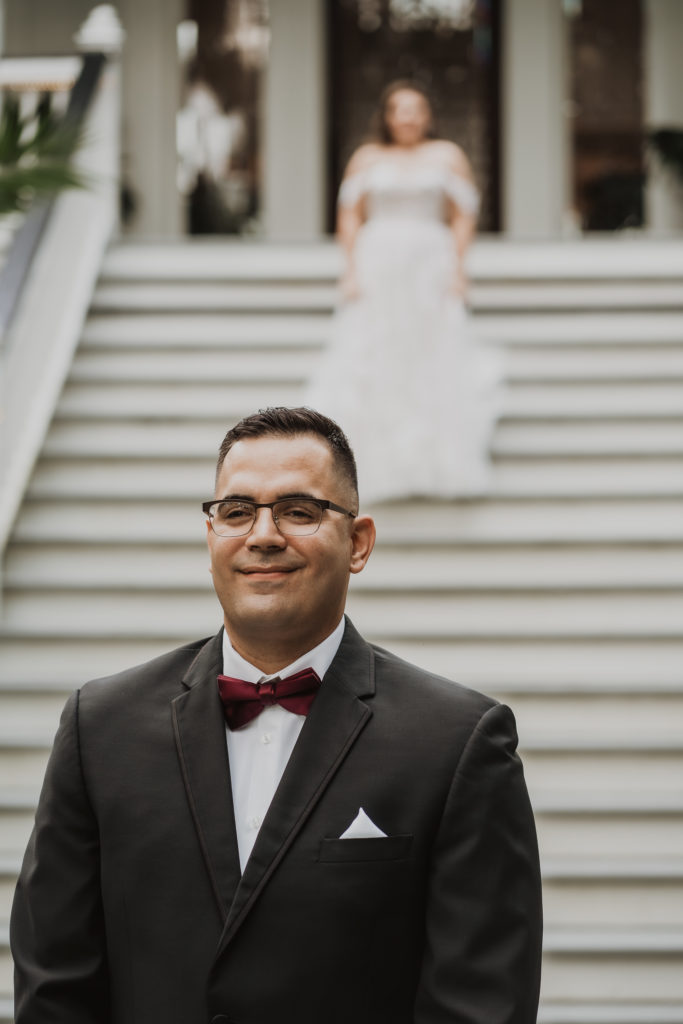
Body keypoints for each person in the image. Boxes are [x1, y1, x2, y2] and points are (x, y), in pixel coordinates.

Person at [11, 406, 542, 1024]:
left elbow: (480, 1005)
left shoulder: (458, 741)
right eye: (237, 511)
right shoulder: (98, 727)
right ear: (211, 535)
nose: (263, 534)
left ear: (359, 543)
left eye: (299, 510)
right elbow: (54, 984)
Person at [306, 80, 501, 502]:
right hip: (379, 265)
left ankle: (432, 459)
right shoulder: (366, 158)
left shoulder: (447, 156)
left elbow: (463, 215)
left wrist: (458, 268)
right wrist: (351, 268)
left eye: (416, 109)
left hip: (429, 264)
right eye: (400, 109)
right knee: (376, 353)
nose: (408, 117)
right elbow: (350, 217)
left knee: (429, 353)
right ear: (388, 115)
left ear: (427, 115)